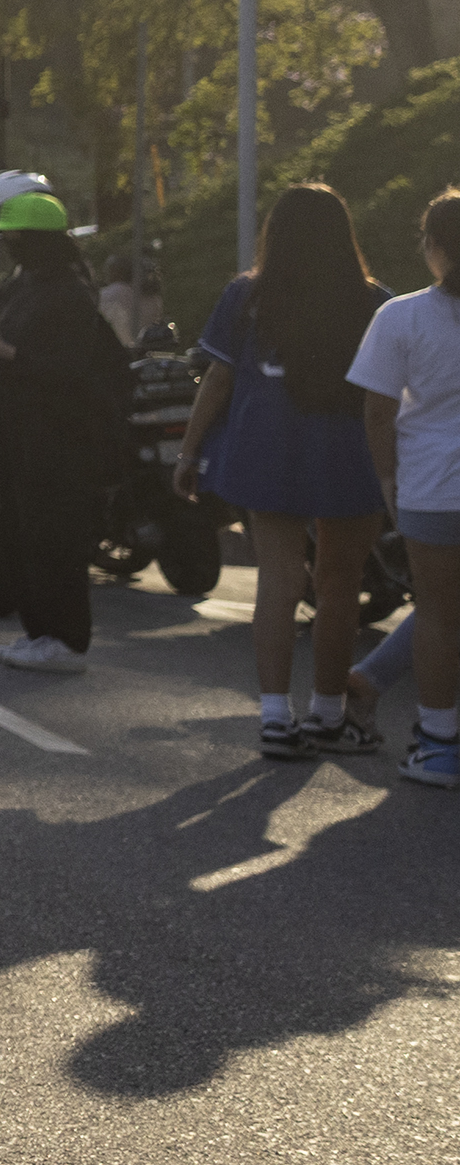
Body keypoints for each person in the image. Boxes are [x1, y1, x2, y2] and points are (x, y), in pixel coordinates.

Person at [182, 183, 386, 760]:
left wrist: (189, 452)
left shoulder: (247, 297)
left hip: (264, 450)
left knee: (278, 581)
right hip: (348, 452)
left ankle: (276, 717)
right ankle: (327, 713)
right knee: (340, 583)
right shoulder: (374, 302)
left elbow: (217, 381)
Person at [0, 191, 125, 672]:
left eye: (13, 236)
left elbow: (66, 368)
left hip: (58, 433)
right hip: (19, 423)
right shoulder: (28, 284)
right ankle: (39, 633)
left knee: (56, 535)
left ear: (35, 240)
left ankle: (67, 639)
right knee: (21, 529)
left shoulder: (70, 291)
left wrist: (1, 348)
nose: (6, 244)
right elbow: (20, 331)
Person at [342, 189, 460, 790]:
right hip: (431, 487)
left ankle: (440, 747)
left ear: (436, 249)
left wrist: (389, 482)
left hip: (432, 489)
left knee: (439, 614)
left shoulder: (401, 316)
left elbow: (376, 413)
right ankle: (373, 685)